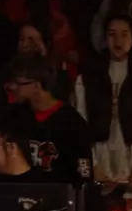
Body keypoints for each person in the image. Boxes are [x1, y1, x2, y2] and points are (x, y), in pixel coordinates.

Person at [74, 15, 132, 186]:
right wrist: (92, 164)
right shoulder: (88, 75)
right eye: (112, 34)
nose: (118, 40)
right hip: (100, 155)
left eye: (124, 34)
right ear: (104, 39)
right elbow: (79, 121)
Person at [6, 53, 94, 184]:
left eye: (17, 83)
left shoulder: (72, 122)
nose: (11, 87)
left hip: (58, 194)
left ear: (36, 86)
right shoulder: (15, 117)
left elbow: (83, 175)